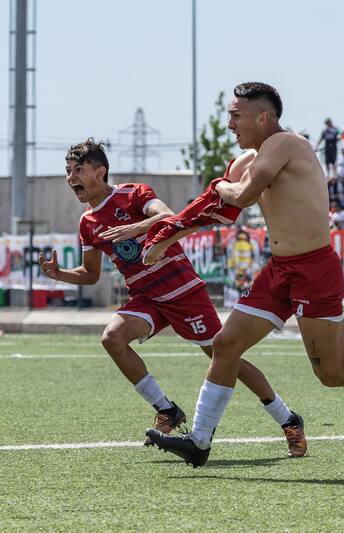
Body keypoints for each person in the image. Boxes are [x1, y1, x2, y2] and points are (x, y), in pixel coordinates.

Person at [146, 82, 344, 467]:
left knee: (334, 373)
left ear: (263, 117)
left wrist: (220, 185)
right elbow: (210, 211)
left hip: (314, 269)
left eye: (236, 115)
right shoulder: (247, 160)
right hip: (279, 270)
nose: (229, 124)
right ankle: (200, 441)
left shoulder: (285, 143)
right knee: (225, 345)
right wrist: (164, 237)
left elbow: (240, 196)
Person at [39, 139, 307, 455]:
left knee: (224, 356)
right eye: (68, 171)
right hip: (146, 297)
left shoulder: (132, 194)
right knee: (112, 338)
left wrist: (135, 228)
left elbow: (168, 216)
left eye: (78, 170)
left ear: (100, 172)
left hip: (182, 292)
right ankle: (166, 410)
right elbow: (90, 274)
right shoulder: (88, 223)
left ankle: (287, 419)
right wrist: (59, 274)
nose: (71, 178)